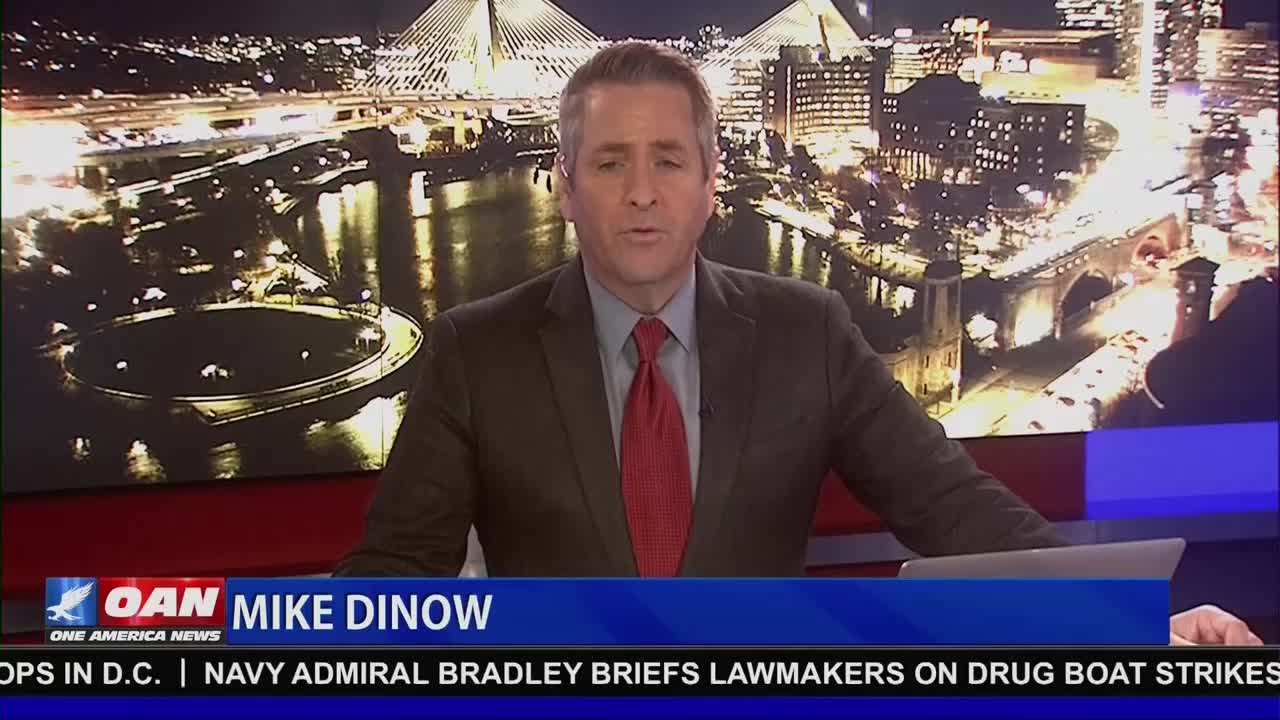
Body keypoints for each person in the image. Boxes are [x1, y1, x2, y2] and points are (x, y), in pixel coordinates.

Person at [335, 42, 1261, 646]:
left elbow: (953, 506)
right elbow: (388, 582)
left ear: (709, 186)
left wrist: (1140, 625)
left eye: (669, 160)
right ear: (565, 188)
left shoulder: (804, 330)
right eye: (610, 164)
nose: (643, 192)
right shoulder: (475, 351)